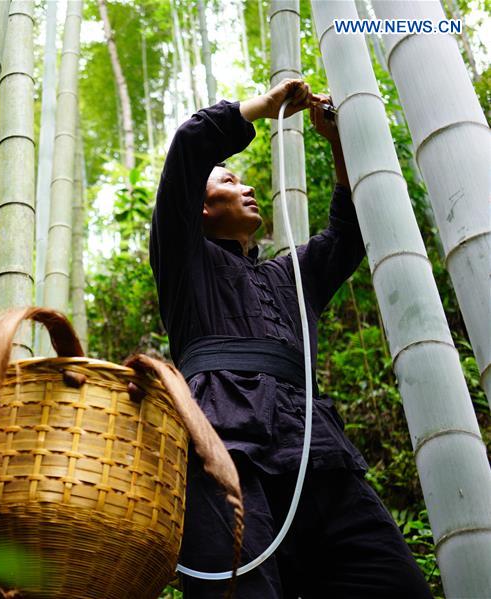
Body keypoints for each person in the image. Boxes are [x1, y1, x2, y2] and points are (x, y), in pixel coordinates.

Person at [150, 79, 433, 598]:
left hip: (315, 451)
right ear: (201, 207)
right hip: (222, 448)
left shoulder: (292, 275)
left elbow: (347, 235)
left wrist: (338, 141)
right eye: (230, 181)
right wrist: (265, 106)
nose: (248, 188)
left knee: (397, 584)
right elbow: (191, 144)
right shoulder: (183, 260)